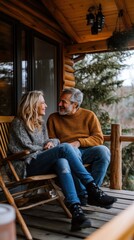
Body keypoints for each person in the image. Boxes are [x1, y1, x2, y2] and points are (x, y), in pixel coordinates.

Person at [47, 87, 116, 207]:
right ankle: (83, 194)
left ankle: (93, 192)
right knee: (73, 153)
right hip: (66, 152)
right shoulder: (53, 118)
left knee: (104, 151)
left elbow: (99, 138)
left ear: (75, 104)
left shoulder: (89, 115)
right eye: (60, 101)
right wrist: (68, 146)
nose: (60, 104)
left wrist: (79, 142)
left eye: (64, 102)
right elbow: (51, 140)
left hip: (86, 150)